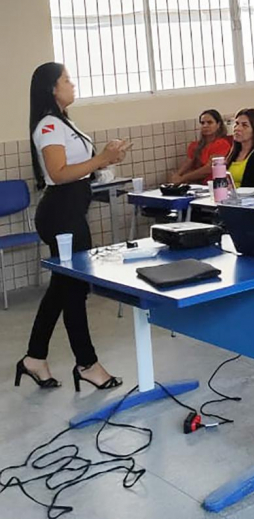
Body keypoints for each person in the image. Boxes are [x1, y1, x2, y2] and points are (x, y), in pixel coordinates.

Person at [17, 62, 128, 391]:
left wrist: (106, 160)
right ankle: (87, 364)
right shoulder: (49, 126)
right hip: (60, 215)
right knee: (74, 289)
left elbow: (80, 168)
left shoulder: (64, 121)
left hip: (71, 212)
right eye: (66, 79)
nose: (72, 84)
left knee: (63, 287)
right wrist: (101, 158)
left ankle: (34, 359)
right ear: (52, 88)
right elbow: (60, 173)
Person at [170, 109, 231, 184]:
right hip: (197, 184)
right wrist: (177, 175)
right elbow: (188, 163)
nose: (205, 126)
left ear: (218, 125)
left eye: (209, 122)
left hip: (213, 184)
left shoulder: (222, 144)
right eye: (202, 123)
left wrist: (183, 178)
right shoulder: (195, 145)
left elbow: (209, 169)